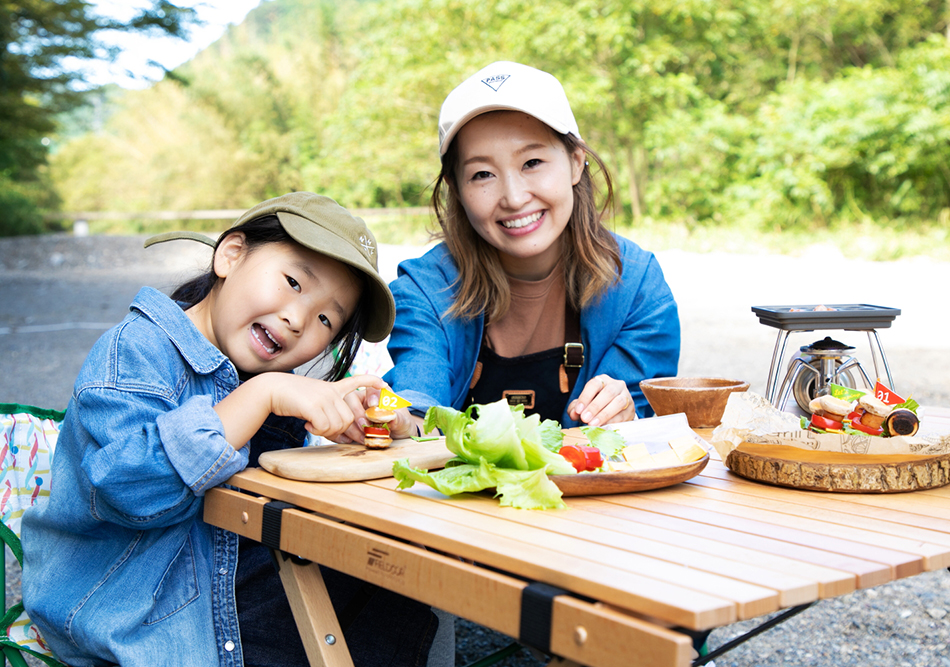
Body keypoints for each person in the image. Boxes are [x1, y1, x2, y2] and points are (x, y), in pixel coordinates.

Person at [20, 192, 445, 667]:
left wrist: (367, 423)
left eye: (327, 318)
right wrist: (261, 395)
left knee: (397, 582)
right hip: (138, 610)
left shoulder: (257, 372)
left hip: (219, 570)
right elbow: (130, 489)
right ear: (231, 254)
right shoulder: (137, 350)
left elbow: (265, 485)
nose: (298, 318)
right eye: (292, 282)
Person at [384, 61, 680, 431]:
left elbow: (645, 417)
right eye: (482, 174)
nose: (513, 196)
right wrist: (398, 422)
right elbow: (417, 399)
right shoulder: (424, 288)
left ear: (575, 163)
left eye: (532, 162)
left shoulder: (637, 286)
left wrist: (625, 414)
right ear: (457, 191)